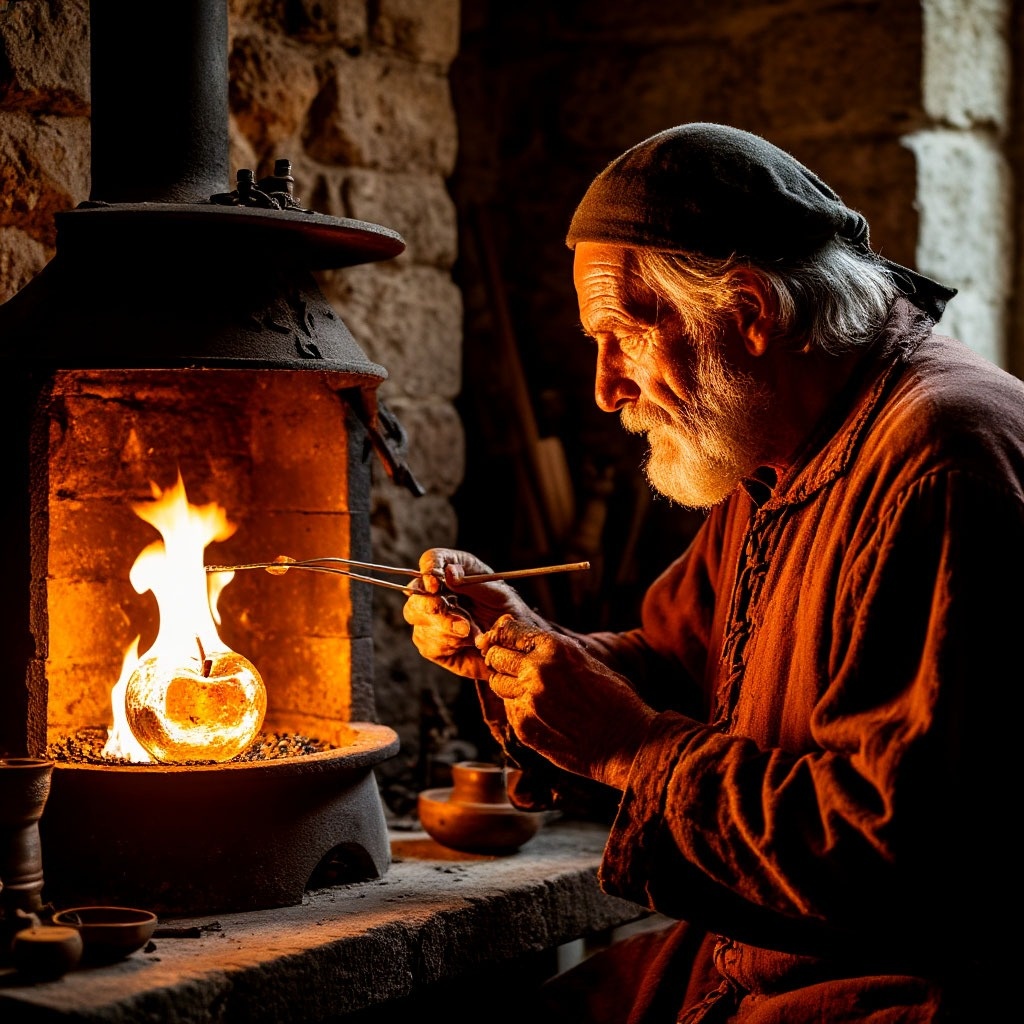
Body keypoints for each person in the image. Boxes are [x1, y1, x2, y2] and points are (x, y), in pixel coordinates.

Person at [402, 123, 1021, 1022]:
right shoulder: (781, 443)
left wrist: (630, 748)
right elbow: (681, 666)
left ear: (749, 315)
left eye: (622, 335)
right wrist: (524, 652)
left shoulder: (939, 459)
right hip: (757, 959)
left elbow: (895, 854)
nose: (605, 388)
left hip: (891, 988)